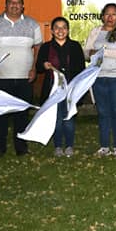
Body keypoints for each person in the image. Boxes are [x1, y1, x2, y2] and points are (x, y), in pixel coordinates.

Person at [0, 0, 42, 157]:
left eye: (18, 2)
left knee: (21, 115)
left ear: (23, 6)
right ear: (5, 5)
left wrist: (34, 68)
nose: (15, 5)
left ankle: (21, 148)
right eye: (11, 2)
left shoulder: (32, 24)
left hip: (23, 78)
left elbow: (37, 49)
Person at [85, 3, 116, 156]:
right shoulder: (95, 31)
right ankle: (104, 146)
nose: (110, 17)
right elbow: (87, 52)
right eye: (107, 14)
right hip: (98, 78)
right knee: (103, 112)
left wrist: (102, 51)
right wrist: (101, 52)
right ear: (102, 16)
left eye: (113, 14)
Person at [37, 16, 85, 157]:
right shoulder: (46, 47)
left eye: (63, 27)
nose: (60, 30)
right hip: (53, 89)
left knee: (68, 118)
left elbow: (81, 69)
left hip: (71, 89)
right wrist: (44, 65)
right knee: (56, 119)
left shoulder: (75, 46)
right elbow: (38, 66)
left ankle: (69, 146)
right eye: (57, 28)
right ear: (52, 31)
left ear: (68, 30)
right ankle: (58, 146)